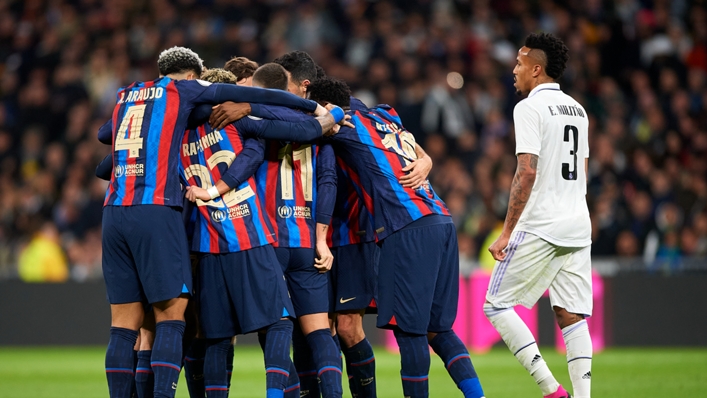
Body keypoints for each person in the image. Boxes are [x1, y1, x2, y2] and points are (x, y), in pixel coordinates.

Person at [99, 46, 327, 398]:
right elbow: (290, 136)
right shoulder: (232, 119)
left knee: (196, 334)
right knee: (277, 323)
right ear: (195, 80)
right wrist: (319, 109)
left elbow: (105, 153)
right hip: (246, 234)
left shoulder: (149, 112)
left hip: (189, 239)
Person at [307, 77, 485, 398]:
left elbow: (312, 126)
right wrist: (426, 157)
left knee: (409, 331)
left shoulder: (341, 125)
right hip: (441, 218)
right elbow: (410, 144)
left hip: (405, 226)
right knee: (438, 329)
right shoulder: (386, 115)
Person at [180, 67, 341, 398]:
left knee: (217, 336)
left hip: (216, 241)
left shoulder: (177, 130)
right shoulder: (255, 124)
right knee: (298, 327)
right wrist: (335, 113)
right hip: (270, 237)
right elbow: (322, 165)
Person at [484, 32, 592, 398]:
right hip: (577, 222)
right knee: (571, 315)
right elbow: (584, 168)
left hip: (542, 223)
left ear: (536, 68)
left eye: (518, 64)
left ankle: (551, 389)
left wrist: (507, 231)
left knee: (495, 304)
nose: (513, 70)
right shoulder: (578, 109)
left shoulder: (528, 107)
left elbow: (527, 170)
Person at [251, 61, 342, 398]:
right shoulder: (323, 130)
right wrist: (322, 237)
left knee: (276, 328)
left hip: (269, 240)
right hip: (307, 240)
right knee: (320, 333)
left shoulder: (258, 122)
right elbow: (328, 182)